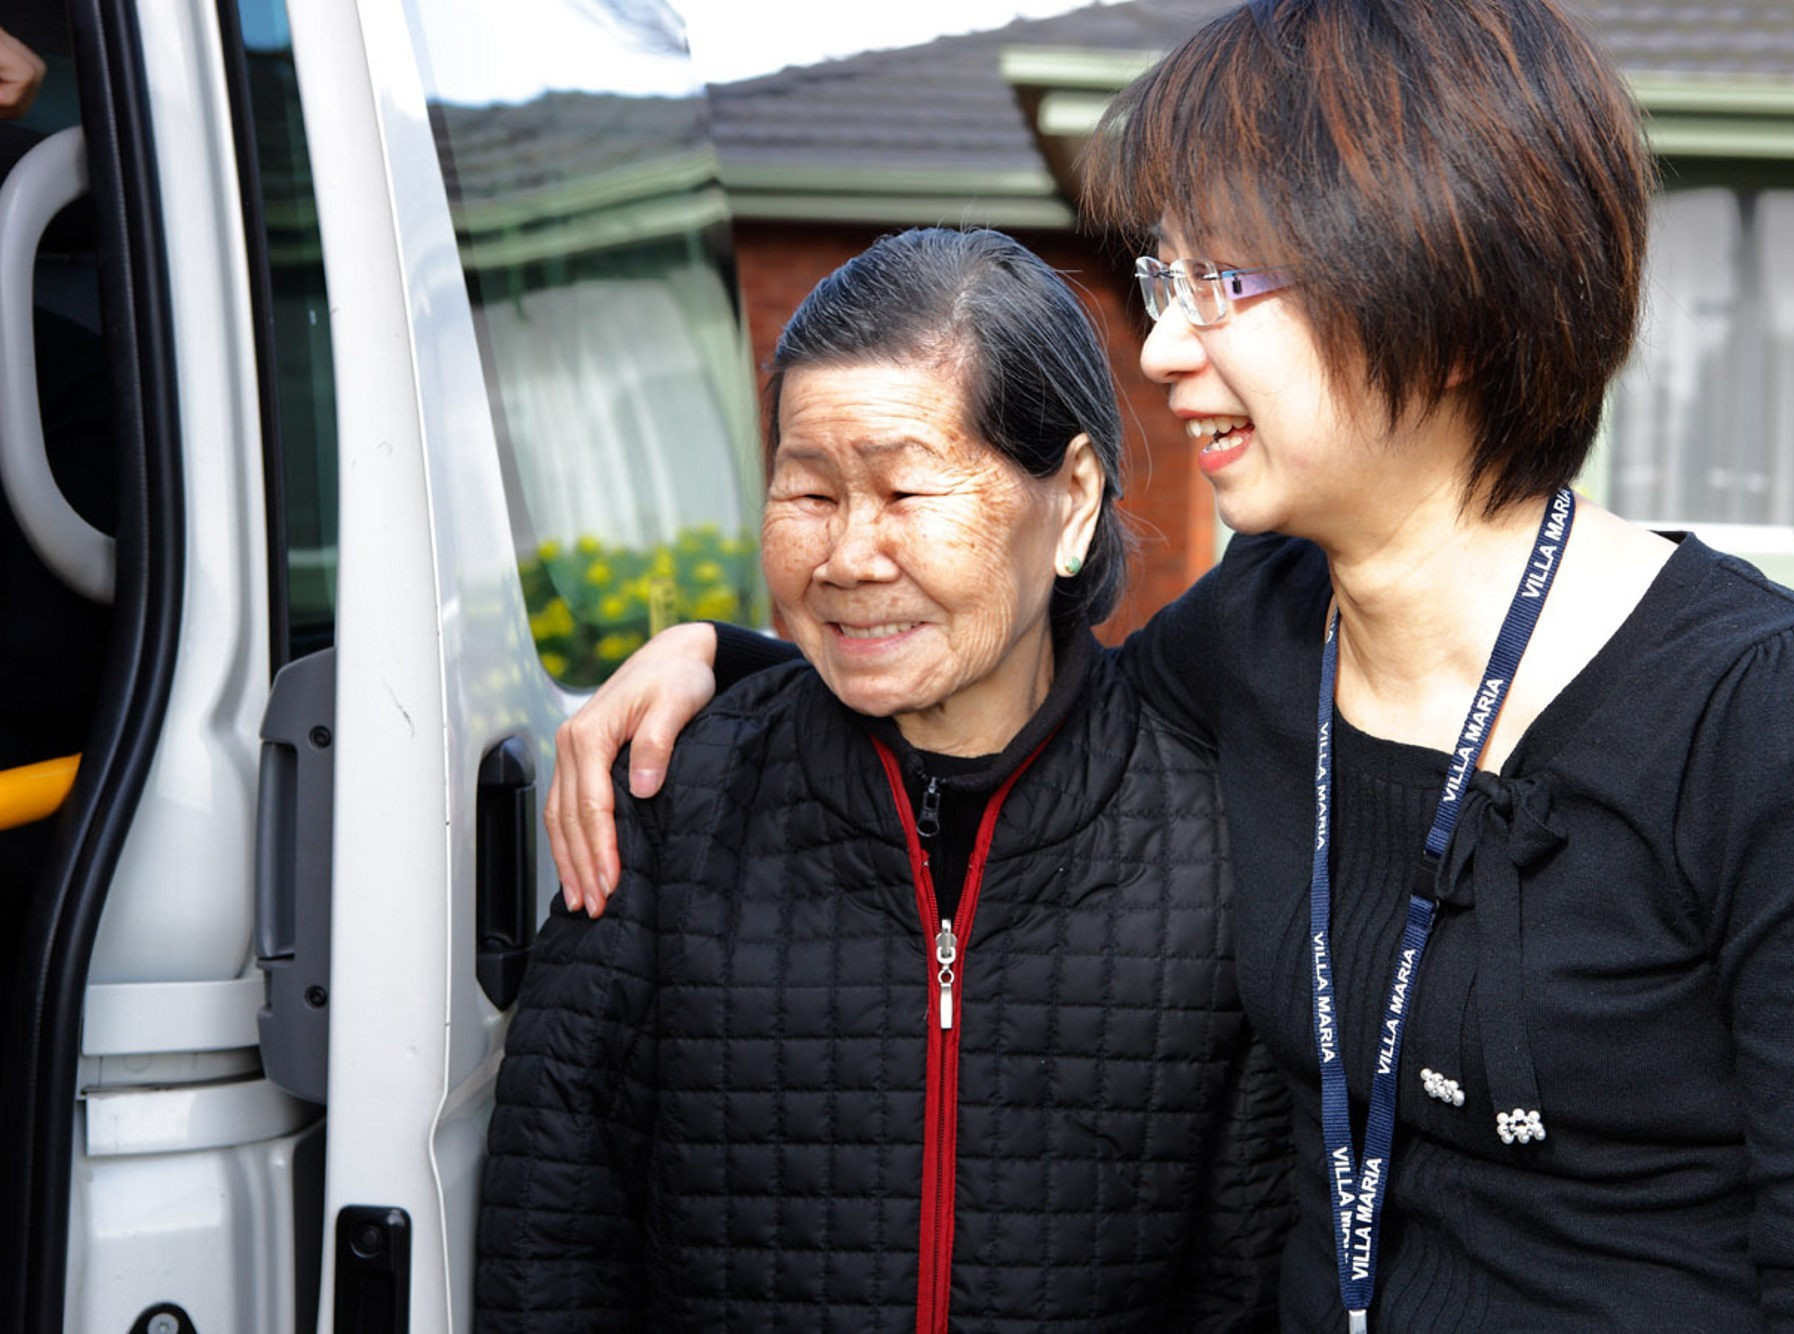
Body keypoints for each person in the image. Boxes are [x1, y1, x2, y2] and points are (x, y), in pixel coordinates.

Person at [544, 2, 1794, 1328]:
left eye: (1222, 282)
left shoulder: (1786, 720)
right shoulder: (1260, 631)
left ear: (1444, 297)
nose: (1163, 346)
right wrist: (728, 660)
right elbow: (1024, 705)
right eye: (1166, 280)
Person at [478, 226, 1291, 1331]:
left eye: (907, 492)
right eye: (809, 495)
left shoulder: (1212, 841)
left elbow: (1244, 1281)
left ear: (1073, 499)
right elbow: (550, 1242)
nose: (849, 557)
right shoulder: (672, 802)